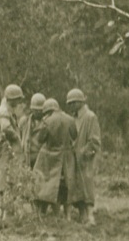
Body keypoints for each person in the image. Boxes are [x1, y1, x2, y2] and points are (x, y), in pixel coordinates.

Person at [32, 98, 76, 217]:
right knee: (67, 186)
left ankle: (51, 214)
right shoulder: (70, 119)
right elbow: (74, 135)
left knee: (48, 186)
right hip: (67, 158)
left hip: (51, 157)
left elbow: (41, 139)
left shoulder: (47, 121)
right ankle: (68, 216)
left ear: (48, 111)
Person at [0, 84, 26, 220]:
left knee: (2, 181)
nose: (19, 102)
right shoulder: (4, 111)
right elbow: (6, 128)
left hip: (2, 150)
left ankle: (3, 213)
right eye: (18, 99)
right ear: (12, 99)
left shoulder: (5, 109)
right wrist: (17, 138)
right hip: (4, 151)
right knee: (5, 181)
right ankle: (5, 213)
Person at [67, 88, 101, 225]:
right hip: (74, 159)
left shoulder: (90, 117)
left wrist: (83, 152)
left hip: (86, 159)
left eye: (73, 103)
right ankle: (82, 215)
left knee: (87, 186)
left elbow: (95, 141)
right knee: (76, 188)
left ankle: (90, 216)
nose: (71, 106)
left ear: (80, 102)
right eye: (69, 104)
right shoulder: (72, 118)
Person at [23, 93, 47, 169]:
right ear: (32, 109)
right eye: (36, 110)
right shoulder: (25, 121)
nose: (38, 112)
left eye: (40, 110)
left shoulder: (47, 122)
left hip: (42, 158)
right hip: (28, 157)